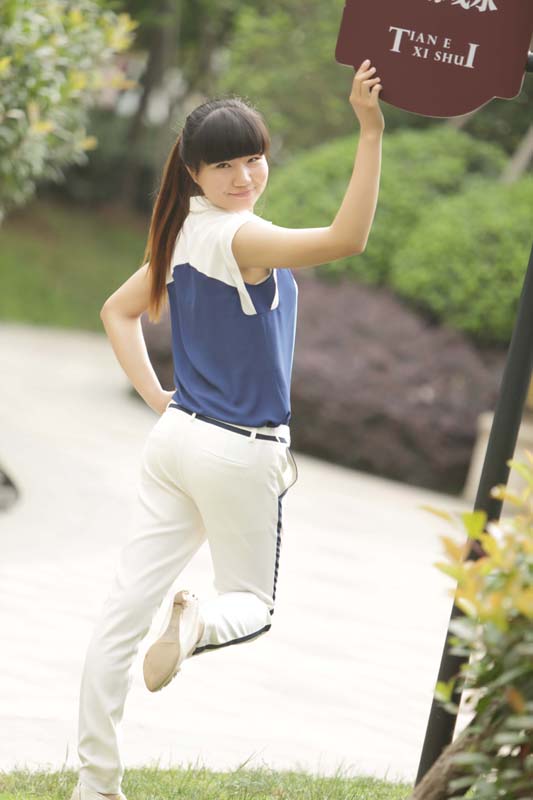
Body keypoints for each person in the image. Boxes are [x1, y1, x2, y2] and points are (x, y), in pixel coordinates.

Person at [70, 57, 384, 800]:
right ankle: (199, 626)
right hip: (237, 450)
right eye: (225, 165)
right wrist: (370, 131)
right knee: (251, 604)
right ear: (194, 173)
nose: (245, 177)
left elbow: (116, 312)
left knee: (121, 613)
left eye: (254, 159)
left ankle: (95, 782)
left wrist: (158, 398)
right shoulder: (242, 238)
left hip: (177, 442)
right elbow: (347, 239)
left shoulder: (181, 231)